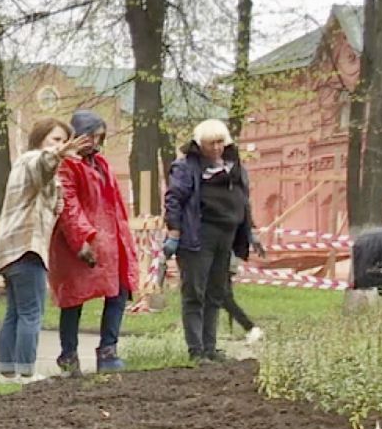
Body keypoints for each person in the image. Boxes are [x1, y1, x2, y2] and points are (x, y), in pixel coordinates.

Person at [162, 119, 265, 361]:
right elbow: (174, 199)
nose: (216, 148)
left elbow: (243, 199)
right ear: (200, 144)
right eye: (211, 143)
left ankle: (210, 347)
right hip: (198, 235)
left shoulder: (233, 165)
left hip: (227, 235)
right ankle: (196, 350)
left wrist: (250, 230)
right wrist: (174, 232)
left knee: (216, 293)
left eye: (220, 142)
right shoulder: (186, 166)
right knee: (195, 292)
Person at [49, 110, 138, 374]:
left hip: (110, 242)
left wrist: (123, 239)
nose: (97, 143)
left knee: (119, 291)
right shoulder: (67, 165)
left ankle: (108, 351)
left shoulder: (101, 164)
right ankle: (68, 355)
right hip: (80, 243)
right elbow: (69, 206)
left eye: (100, 137)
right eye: (92, 136)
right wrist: (81, 240)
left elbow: (115, 205)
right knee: (73, 299)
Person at [0, 117, 69, 380]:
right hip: (27, 247)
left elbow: (47, 189)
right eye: (56, 139)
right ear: (40, 138)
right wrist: (55, 154)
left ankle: (7, 371)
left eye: (64, 140)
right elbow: (44, 165)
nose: (61, 145)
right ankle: (26, 373)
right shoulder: (34, 159)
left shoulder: (23, 165)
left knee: (14, 312)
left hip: (8, 249)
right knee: (31, 313)